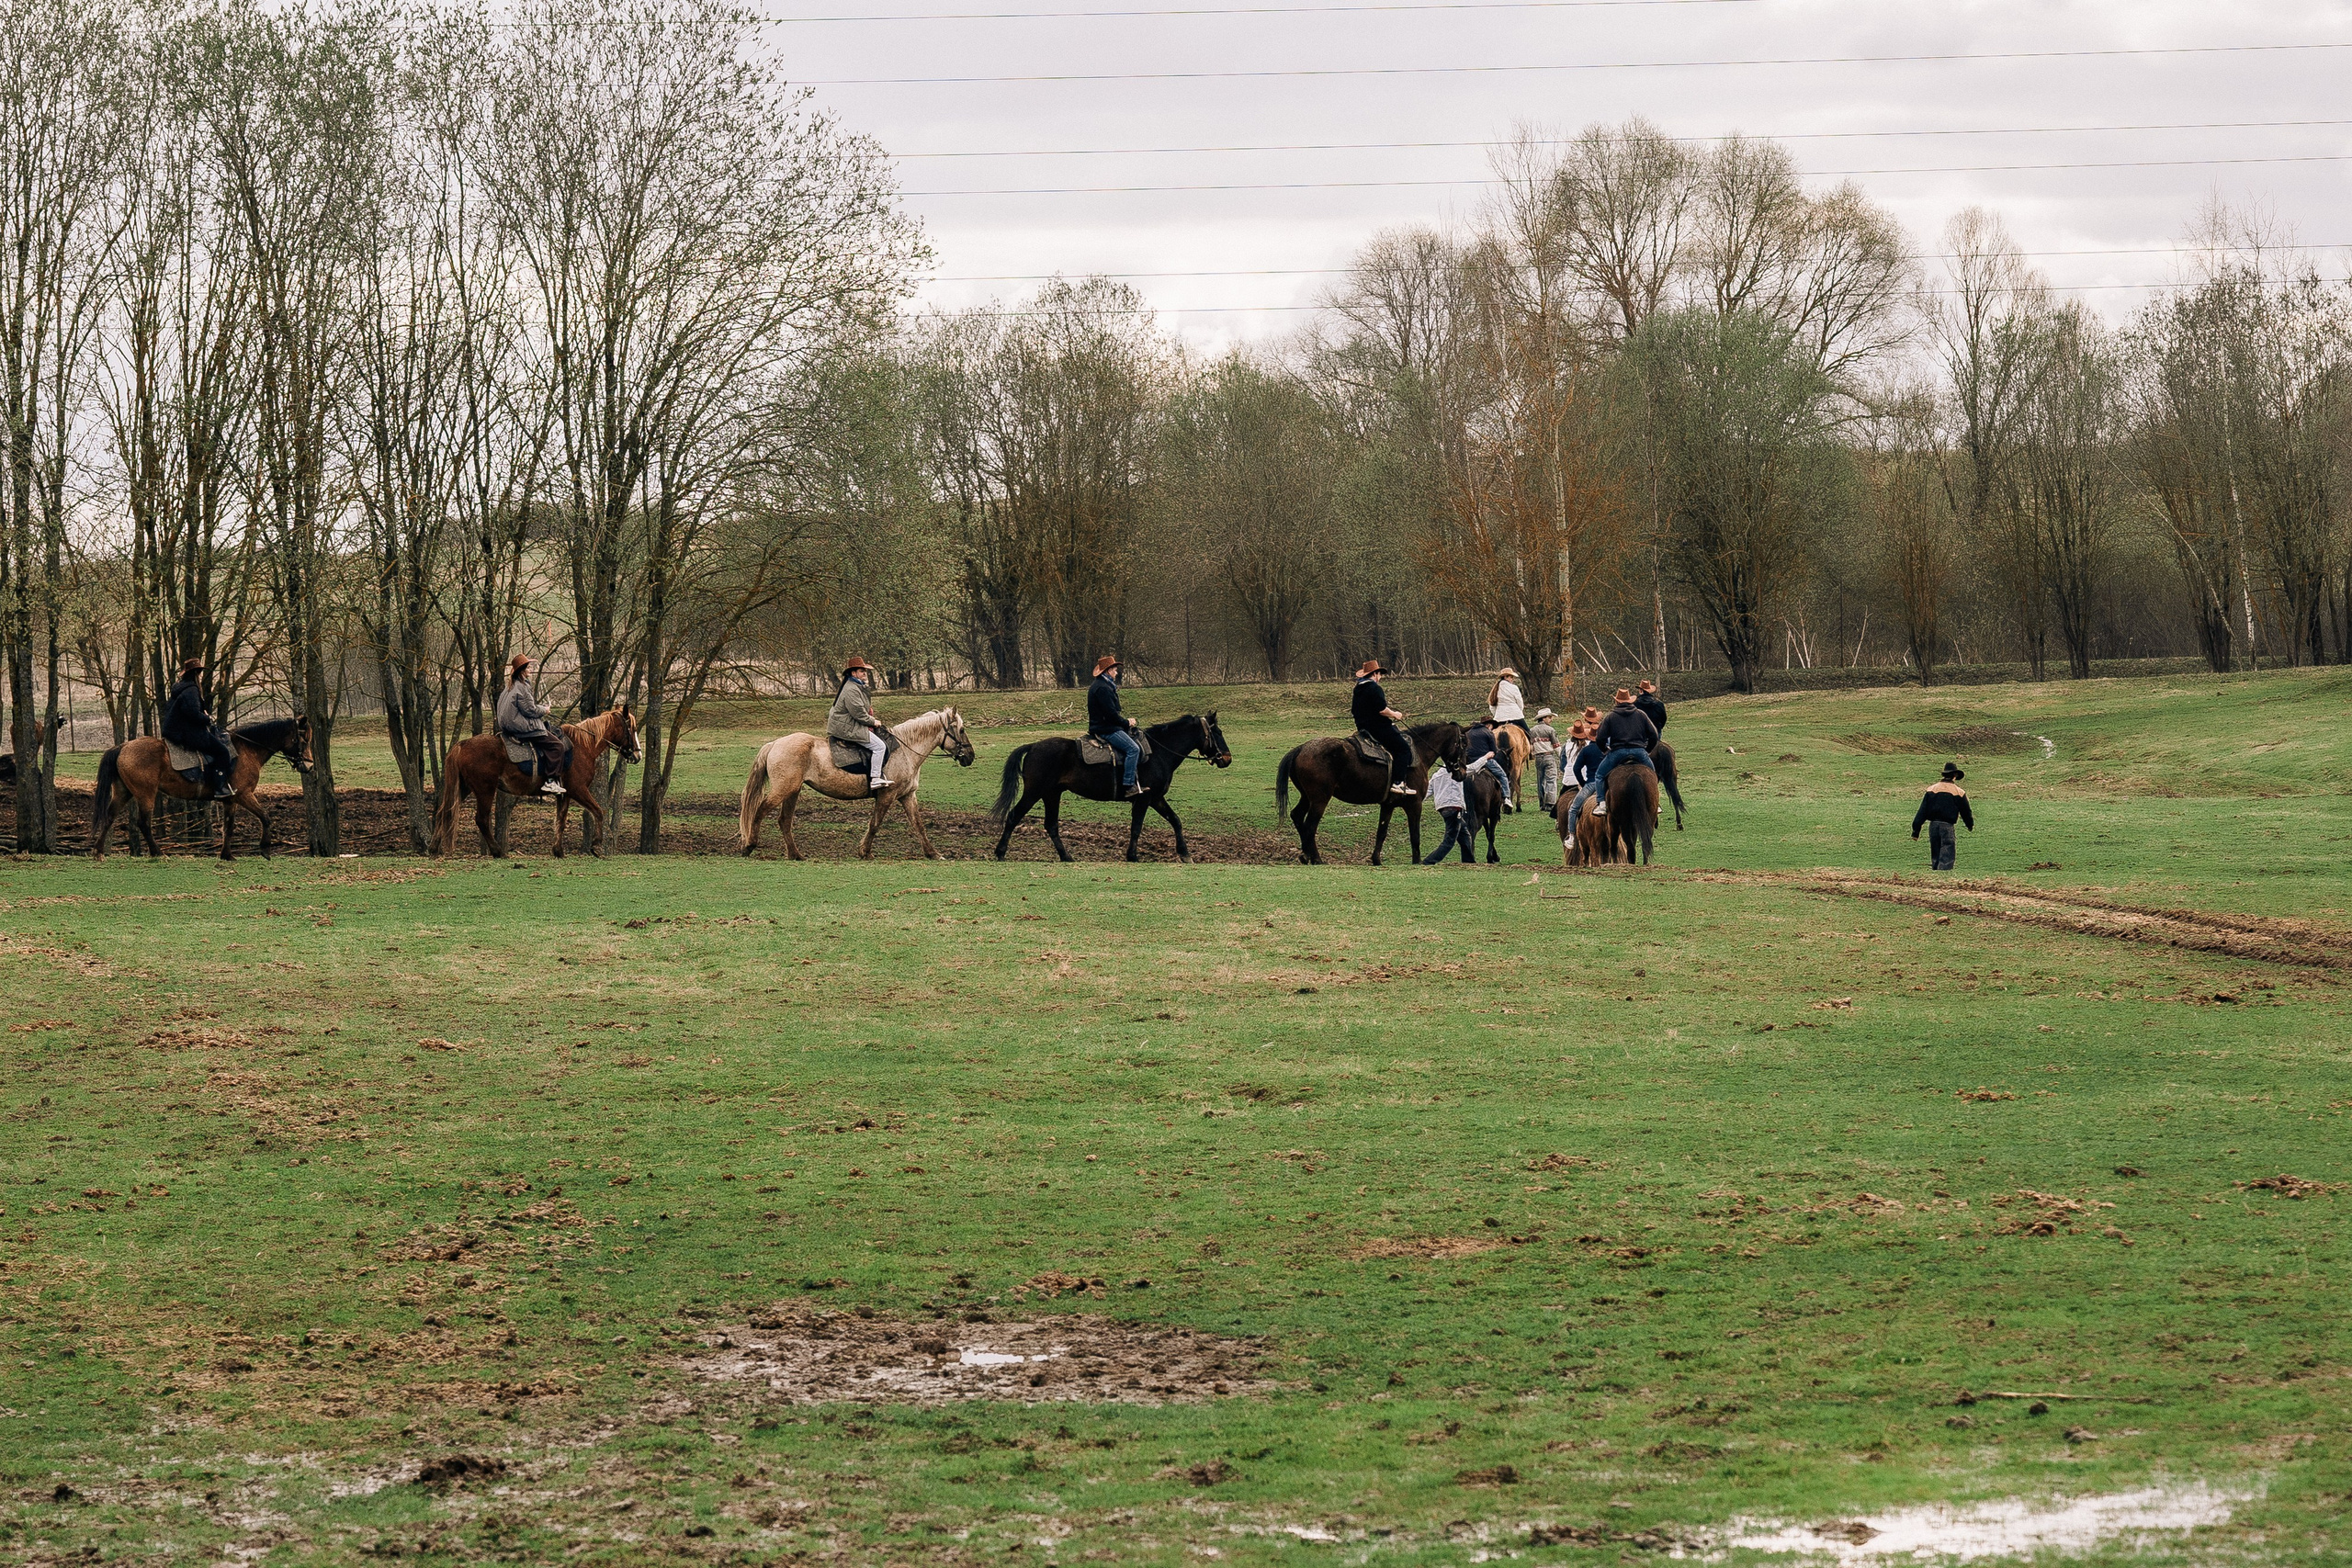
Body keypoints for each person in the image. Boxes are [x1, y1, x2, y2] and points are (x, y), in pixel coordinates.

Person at [161, 655, 235, 799]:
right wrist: (207, 718)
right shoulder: (191, 690)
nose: (200, 676)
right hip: (189, 733)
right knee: (222, 752)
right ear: (195, 673)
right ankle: (219, 788)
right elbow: (193, 714)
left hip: (177, 731)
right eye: (199, 673)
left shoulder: (180, 688)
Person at [496, 653, 569, 795]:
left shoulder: (511, 685)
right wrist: (545, 710)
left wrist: (539, 708)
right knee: (557, 746)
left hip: (510, 725)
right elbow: (530, 710)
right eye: (529, 667)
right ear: (522, 670)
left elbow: (525, 706)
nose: (531, 669)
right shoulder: (522, 687)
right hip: (521, 726)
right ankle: (551, 781)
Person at [1351, 659, 1417, 796]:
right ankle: (1398, 783)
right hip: (1377, 727)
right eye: (1379, 674)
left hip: (1363, 727)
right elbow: (1381, 710)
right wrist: (1394, 714)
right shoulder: (1375, 688)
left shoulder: (1358, 688)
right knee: (1403, 749)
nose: (1380, 677)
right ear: (1375, 674)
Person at [828, 656, 890, 795]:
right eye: (862, 671)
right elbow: (859, 714)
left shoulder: (855, 686)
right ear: (853, 673)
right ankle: (875, 778)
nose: (865, 674)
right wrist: (873, 722)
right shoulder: (852, 689)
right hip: (846, 727)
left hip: (849, 723)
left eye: (865, 671)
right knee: (880, 747)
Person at [1087, 654, 1144, 799]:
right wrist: (1127, 722)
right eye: (1114, 670)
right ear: (1108, 671)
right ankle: (1129, 785)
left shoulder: (1102, 685)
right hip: (1106, 729)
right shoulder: (1103, 688)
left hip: (1105, 726)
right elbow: (1111, 715)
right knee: (1133, 749)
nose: (1116, 672)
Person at [1589, 687, 1661, 795]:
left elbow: (1600, 738)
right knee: (1652, 774)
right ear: (1630, 701)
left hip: (1618, 752)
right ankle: (1655, 801)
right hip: (1639, 751)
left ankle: (1601, 802)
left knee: (1599, 775)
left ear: (1616, 701)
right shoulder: (1641, 714)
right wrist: (1647, 750)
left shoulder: (1610, 717)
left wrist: (1605, 750)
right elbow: (1654, 735)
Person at [1912, 761, 1975, 871]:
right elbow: (1966, 811)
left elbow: (1922, 811)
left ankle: (1935, 871)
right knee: (1947, 850)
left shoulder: (1931, 789)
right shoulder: (1959, 792)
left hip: (1933, 825)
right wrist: (1969, 824)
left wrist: (1916, 830)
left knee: (1935, 851)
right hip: (1947, 825)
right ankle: (1943, 873)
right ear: (1955, 776)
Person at [1419, 762, 1480, 864]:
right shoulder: (1456, 772)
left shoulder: (1436, 776)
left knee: (1464, 835)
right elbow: (1473, 768)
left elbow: (1425, 793)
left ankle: (1469, 861)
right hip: (1454, 808)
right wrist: (1487, 757)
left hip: (1444, 809)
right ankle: (1428, 861)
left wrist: (1413, 803)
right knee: (1449, 841)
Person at [1464, 716, 1515, 813]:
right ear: (1488, 725)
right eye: (1492, 726)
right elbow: (1494, 751)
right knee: (1502, 775)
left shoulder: (1468, 732)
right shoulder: (1488, 733)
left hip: (1470, 761)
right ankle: (1506, 798)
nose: (1492, 728)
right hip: (1486, 760)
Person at [1562, 721, 1604, 836]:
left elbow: (1576, 768)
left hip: (1590, 784)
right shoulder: (1607, 750)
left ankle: (1571, 836)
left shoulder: (1586, 750)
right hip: (1606, 785)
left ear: (1589, 736)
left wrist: (1582, 782)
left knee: (1573, 809)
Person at [1528, 707, 1562, 811]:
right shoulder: (1550, 730)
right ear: (1543, 718)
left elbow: (1531, 746)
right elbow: (1556, 746)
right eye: (1549, 717)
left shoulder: (1532, 730)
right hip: (1549, 756)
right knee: (1551, 779)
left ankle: (1542, 803)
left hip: (1538, 757)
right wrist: (1562, 757)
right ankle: (1550, 803)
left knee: (1540, 780)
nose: (1551, 719)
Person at [1488, 667, 1526, 739]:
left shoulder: (1495, 689)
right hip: (1515, 715)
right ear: (1505, 677)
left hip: (1500, 717)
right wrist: (1519, 711)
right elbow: (1520, 702)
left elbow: (1492, 705)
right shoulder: (1514, 687)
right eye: (1511, 677)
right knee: (1528, 733)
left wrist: (1496, 714)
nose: (1512, 679)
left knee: (1491, 736)